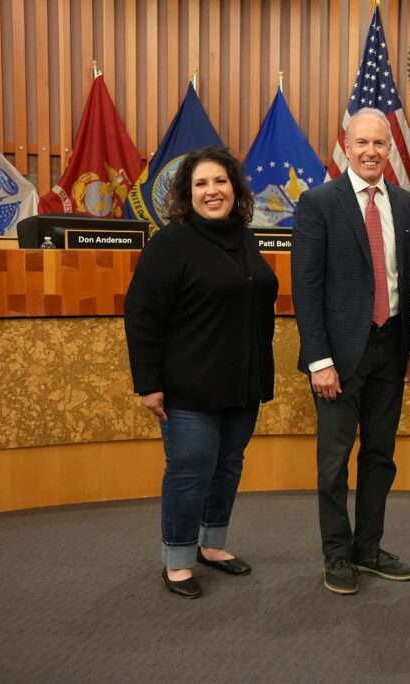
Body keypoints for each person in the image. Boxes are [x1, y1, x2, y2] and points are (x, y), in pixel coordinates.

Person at [124, 146, 279, 599]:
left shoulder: (246, 237)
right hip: (187, 387)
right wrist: (148, 383)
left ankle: (213, 544)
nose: (212, 191)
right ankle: (177, 557)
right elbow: (141, 313)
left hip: (243, 382)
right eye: (201, 184)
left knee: (228, 466)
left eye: (220, 182)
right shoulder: (171, 243)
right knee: (190, 470)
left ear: (235, 188)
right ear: (186, 194)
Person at [291, 108, 410, 595]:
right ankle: (336, 553)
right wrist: (318, 360)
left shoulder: (406, 206)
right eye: (362, 143)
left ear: (390, 150)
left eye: (380, 144)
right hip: (338, 360)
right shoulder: (319, 202)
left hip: (391, 350)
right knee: (333, 464)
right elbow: (306, 287)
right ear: (345, 145)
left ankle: (368, 548)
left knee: (380, 457)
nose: (371, 152)